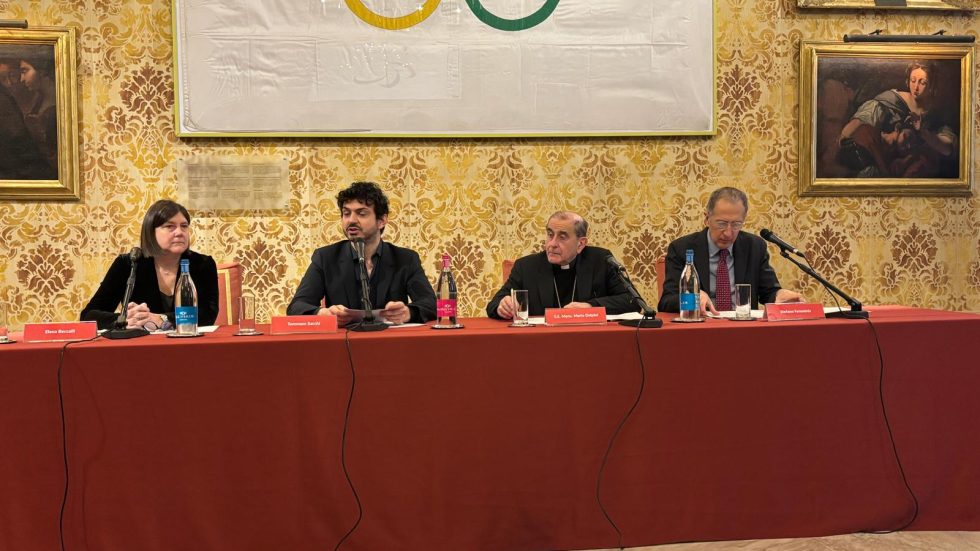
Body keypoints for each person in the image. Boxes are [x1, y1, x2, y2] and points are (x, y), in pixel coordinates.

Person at [287, 181, 436, 325]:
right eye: (346, 213)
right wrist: (323, 314)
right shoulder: (325, 258)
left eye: (361, 213)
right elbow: (296, 307)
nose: (351, 220)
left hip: (389, 340)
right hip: (344, 340)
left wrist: (408, 312)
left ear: (382, 220)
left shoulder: (405, 259)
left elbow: (431, 304)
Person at [657, 187, 803, 315]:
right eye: (721, 223)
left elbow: (768, 292)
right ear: (707, 218)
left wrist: (779, 294)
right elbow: (666, 302)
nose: (728, 233)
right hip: (702, 327)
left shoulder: (755, 247)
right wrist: (693, 298)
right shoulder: (682, 248)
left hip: (743, 329)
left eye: (736, 224)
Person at [81, 200, 219, 330]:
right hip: (139, 344)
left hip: (188, 342)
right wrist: (124, 319)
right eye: (170, 226)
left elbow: (208, 315)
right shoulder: (129, 264)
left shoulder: (203, 264)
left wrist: (162, 319)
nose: (179, 232)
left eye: (184, 226)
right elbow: (88, 316)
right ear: (151, 232)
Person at [486, 211, 636, 319]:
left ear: (580, 244)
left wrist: (591, 307)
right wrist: (502, 306)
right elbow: (493, 305)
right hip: (541, 343)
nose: (552, 244)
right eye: (550, 235)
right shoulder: (526, 267)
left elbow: (632, 301)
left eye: (562, 237)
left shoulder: (601, 261)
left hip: (589, 341)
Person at [838, 61, 957, 178]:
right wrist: (845, 137)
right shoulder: (892, 100)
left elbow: (947, 149)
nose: (916, 87)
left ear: (931, 86)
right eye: (913, 80)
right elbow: (861, 121)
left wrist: (923, 133)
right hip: (876, 164)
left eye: (923, 82)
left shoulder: (933, 116)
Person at [19, 56, 59, 171]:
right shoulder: (38, 99)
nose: (22, 79)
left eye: (25, 71)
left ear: (42, 69)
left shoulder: (56, 107)